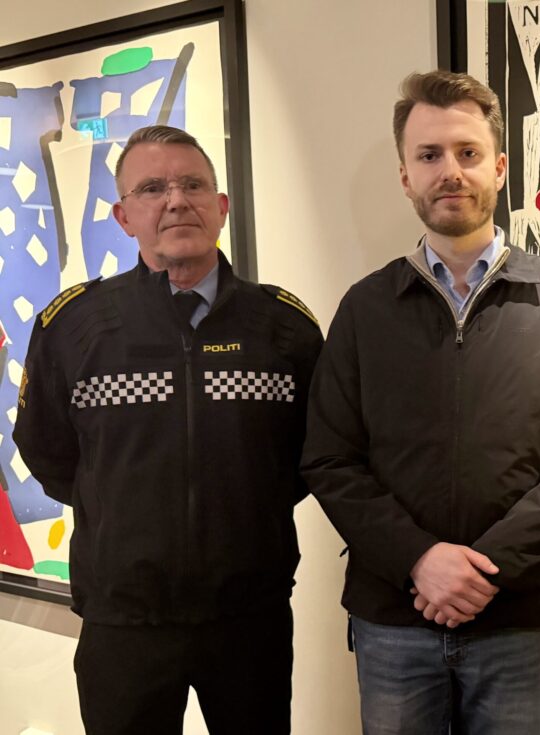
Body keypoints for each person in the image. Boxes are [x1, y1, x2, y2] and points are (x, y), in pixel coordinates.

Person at [301, 70, 540, 734]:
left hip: (516, 621)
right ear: (405, 177)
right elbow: (330, 459)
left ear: (499, 168)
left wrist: (482, 571)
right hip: (393, 619)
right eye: (429, 156)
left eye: (468, 154)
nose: (451, 171)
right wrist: (422, 559)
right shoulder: (364, 309)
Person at [13, 125, 323, 735]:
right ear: (123, 215)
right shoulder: (73, 326)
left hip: (250, 619)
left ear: (221, 208)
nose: (176, 200)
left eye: (193, 185)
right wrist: (120, 510)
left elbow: (312, 455)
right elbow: (46, 450)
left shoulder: (284, 327)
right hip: (123, 624)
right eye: (152, 188)